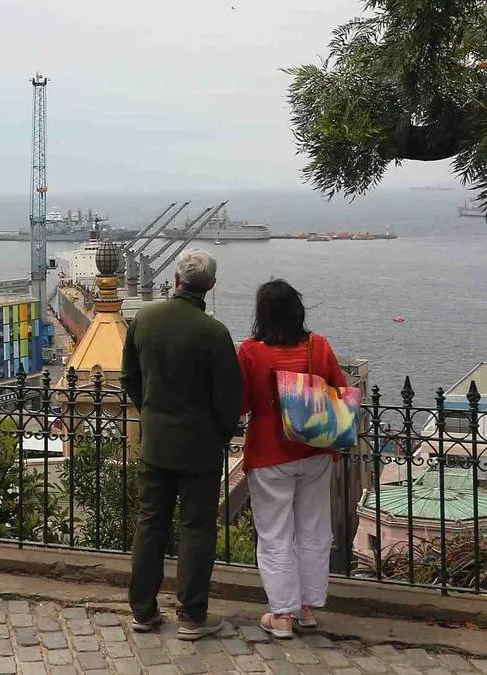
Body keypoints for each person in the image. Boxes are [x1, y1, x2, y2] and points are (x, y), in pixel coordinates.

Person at [122, 249, 242, 641]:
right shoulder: (214, 333)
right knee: (196, 528)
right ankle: (192, 614)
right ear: (211, 285)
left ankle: (142, 610)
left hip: (155, 443)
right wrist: (220, 434)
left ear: (175, 279)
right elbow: (229, 399)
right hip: (200, 448)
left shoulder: (145, 319)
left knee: (150, 523)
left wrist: (151, 412)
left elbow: (130, 377)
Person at [237, 279, 347, 639]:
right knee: (313, 528)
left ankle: (281, 612)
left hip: (269, 451)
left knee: (274, 533)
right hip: (314, 449)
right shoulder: (319, 346)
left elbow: (241, 403)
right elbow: (339, 392)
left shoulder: (251, 352)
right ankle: (307, 607)